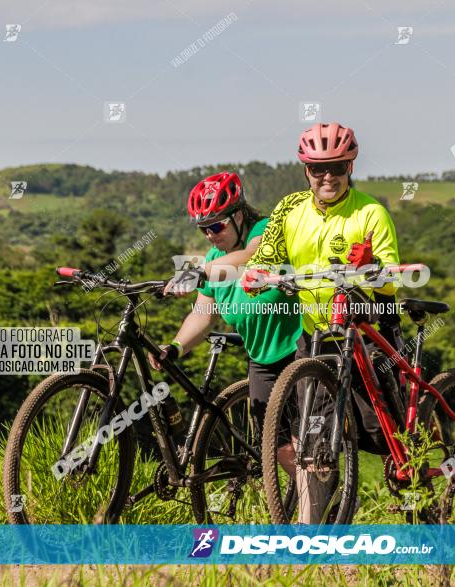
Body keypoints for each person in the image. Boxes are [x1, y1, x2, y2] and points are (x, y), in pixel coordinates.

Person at [242, 122, 404, 522]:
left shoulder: (370, 212)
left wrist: (373, 268)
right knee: (315, 436)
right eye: (318, 169)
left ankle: (423, 474)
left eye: (336, 167)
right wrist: (257, 275)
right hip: (316, 337)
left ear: (351, 166)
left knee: (385, 432)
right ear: (306, 173)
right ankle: (311, 533)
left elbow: (392, 281)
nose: (327, 176)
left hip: (366, 329)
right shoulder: (291, 211)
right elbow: (267, 256)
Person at [147, 172, 303, 456]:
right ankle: (316, 500)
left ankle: (331, 496)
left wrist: (197, 272)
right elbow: (204, 314)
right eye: (203, 229)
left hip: (299, 350)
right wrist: (175, 347)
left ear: (239, 216)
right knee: (277, 448)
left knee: (305, 443)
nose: (210, 235)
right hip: (262, 360)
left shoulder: (265, 231)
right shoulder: (212, 259)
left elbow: (251, 257)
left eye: (216, 226)